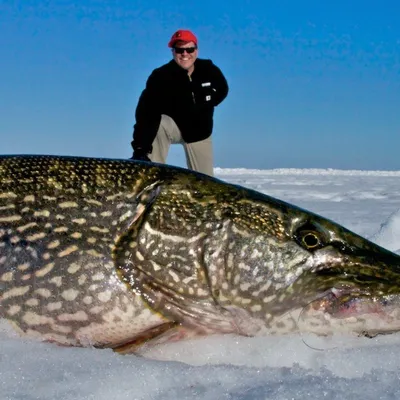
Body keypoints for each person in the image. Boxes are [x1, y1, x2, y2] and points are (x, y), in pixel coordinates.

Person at [130, 29, 229, 176]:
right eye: (179, 50)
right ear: (173, 51)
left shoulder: (209, 69)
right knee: (160, 123)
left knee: (205, 183)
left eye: (189, 49)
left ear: (196, 50)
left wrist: (209, 102)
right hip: (174, 127)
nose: (185, 54)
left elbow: (223, 89)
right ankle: (151, 177)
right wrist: (140, 148)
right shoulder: (160, 76)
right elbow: (145, 112)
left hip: (200, 133)